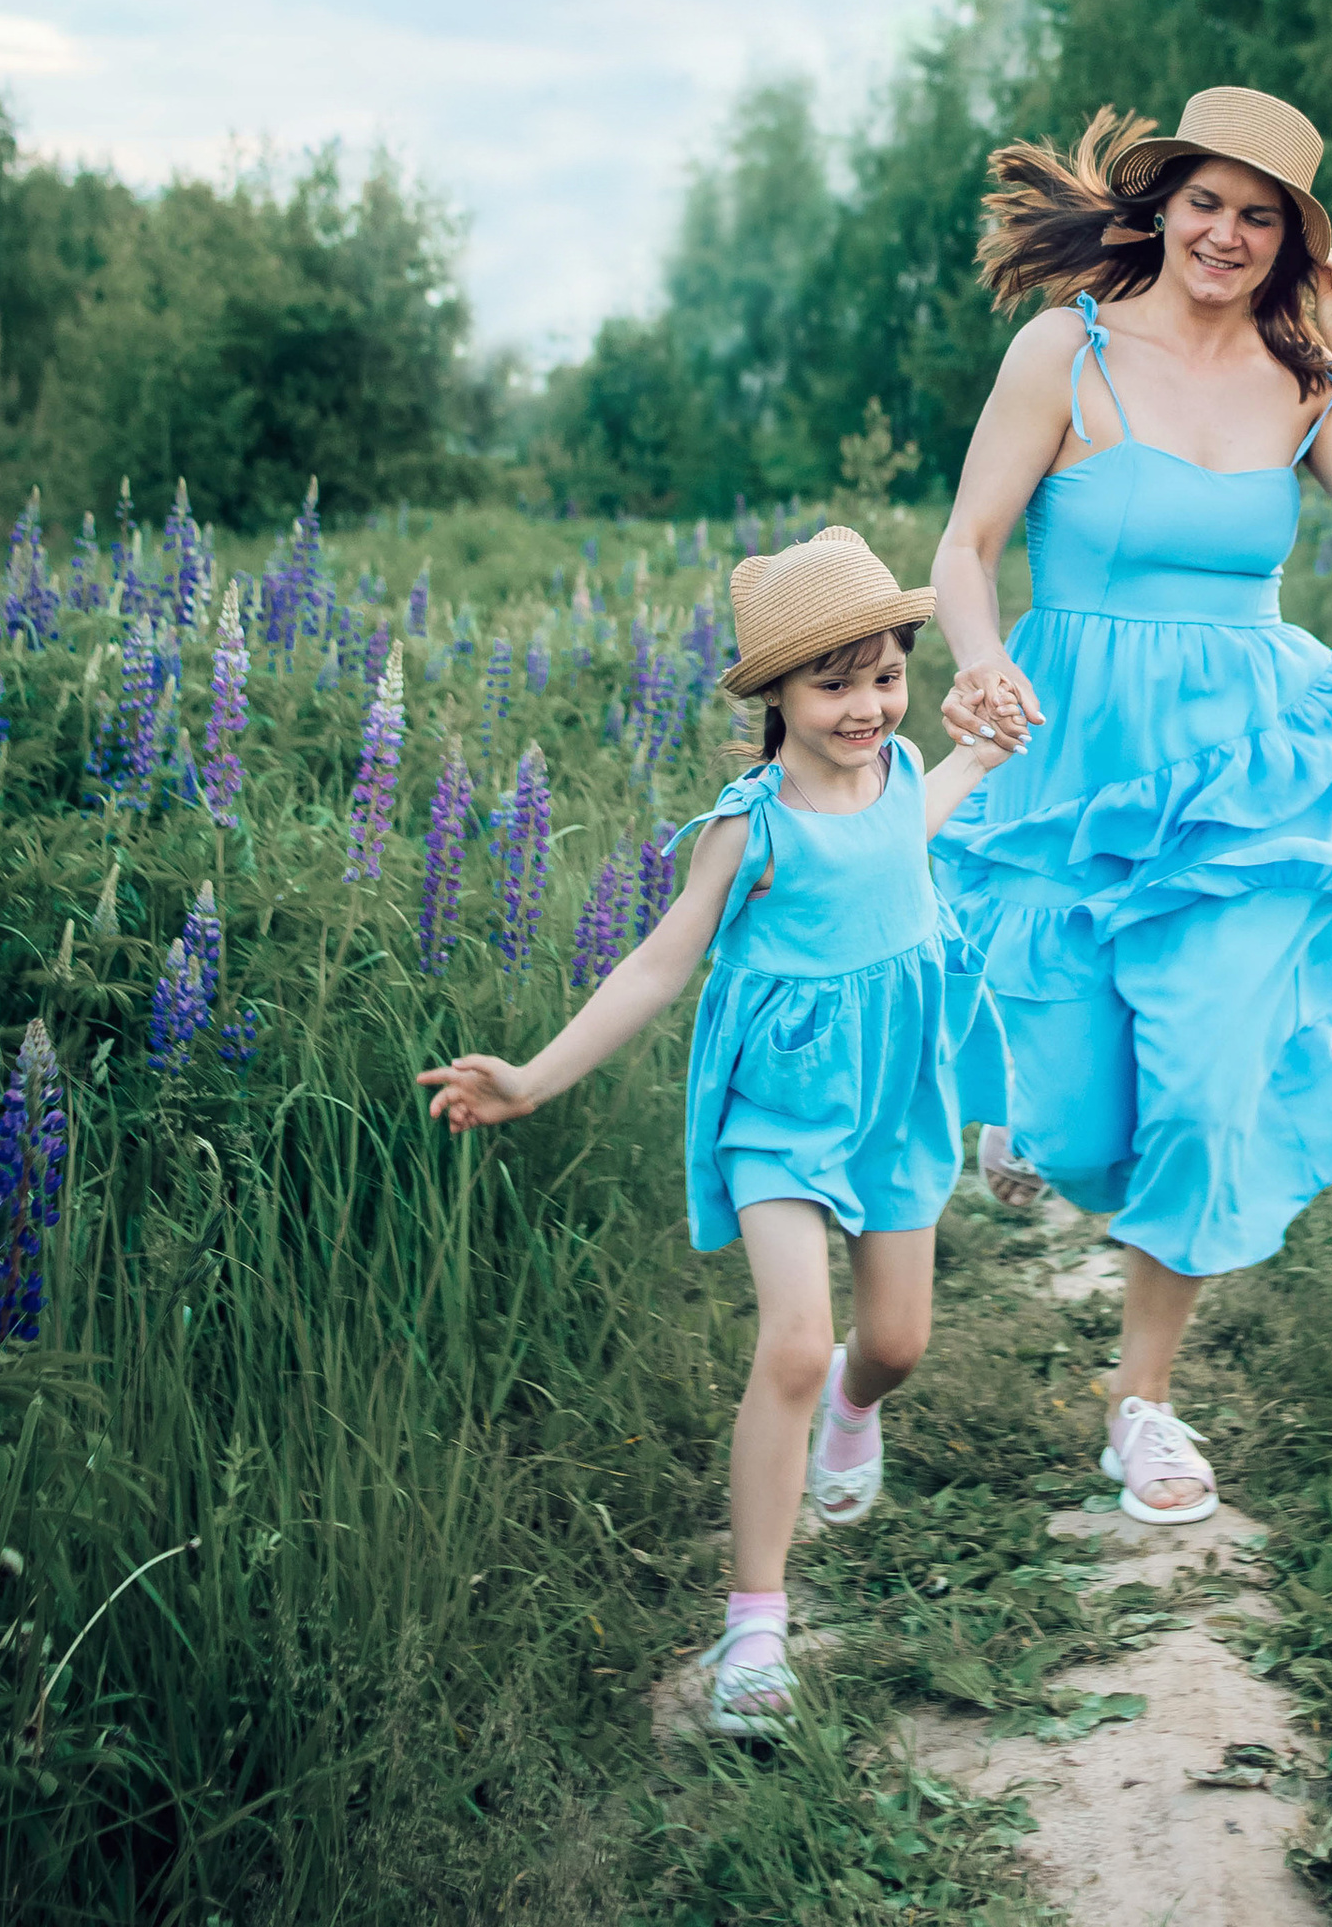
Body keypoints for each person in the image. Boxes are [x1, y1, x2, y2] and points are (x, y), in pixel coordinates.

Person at [929, 84, 1332, 1528]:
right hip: (1072, 743)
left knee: (1212, 1074)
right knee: (1088, 1118)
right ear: (1161, 204)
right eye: (1207, 202)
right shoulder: (1067, 349)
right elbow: (969, 545)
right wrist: (977, 665)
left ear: (1295, 240)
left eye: (1261, 214)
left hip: (1248, 767)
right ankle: (1024, 1114)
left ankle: (1144, 1402)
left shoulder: (1306, 374)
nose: (1227, 233)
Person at [419, 525, 1014, 1737]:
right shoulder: (752, 828)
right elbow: (654, 966)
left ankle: (860, 1410)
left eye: (885, 675)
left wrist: (983, 752)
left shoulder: (901, 777)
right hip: (781, 1109)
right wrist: (531, 1078)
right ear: (775, 696)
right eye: (832, 683)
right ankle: (755, 1627)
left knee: (890, 1345)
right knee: (794, 1343)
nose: (866, 705)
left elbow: (916, 824)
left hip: (897, 1093)